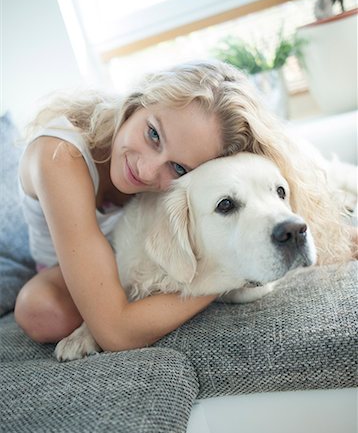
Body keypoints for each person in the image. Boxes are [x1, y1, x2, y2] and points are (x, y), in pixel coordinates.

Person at [14, 60, 354, 352]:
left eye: (178, 168)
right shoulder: (59, 156)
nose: (147, 170)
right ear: (138, 102)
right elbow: (117, 333)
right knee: (41, 311)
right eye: (153, 135)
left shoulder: (179, 178)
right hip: (67, 263)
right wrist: (229, 276)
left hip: (134, 249)